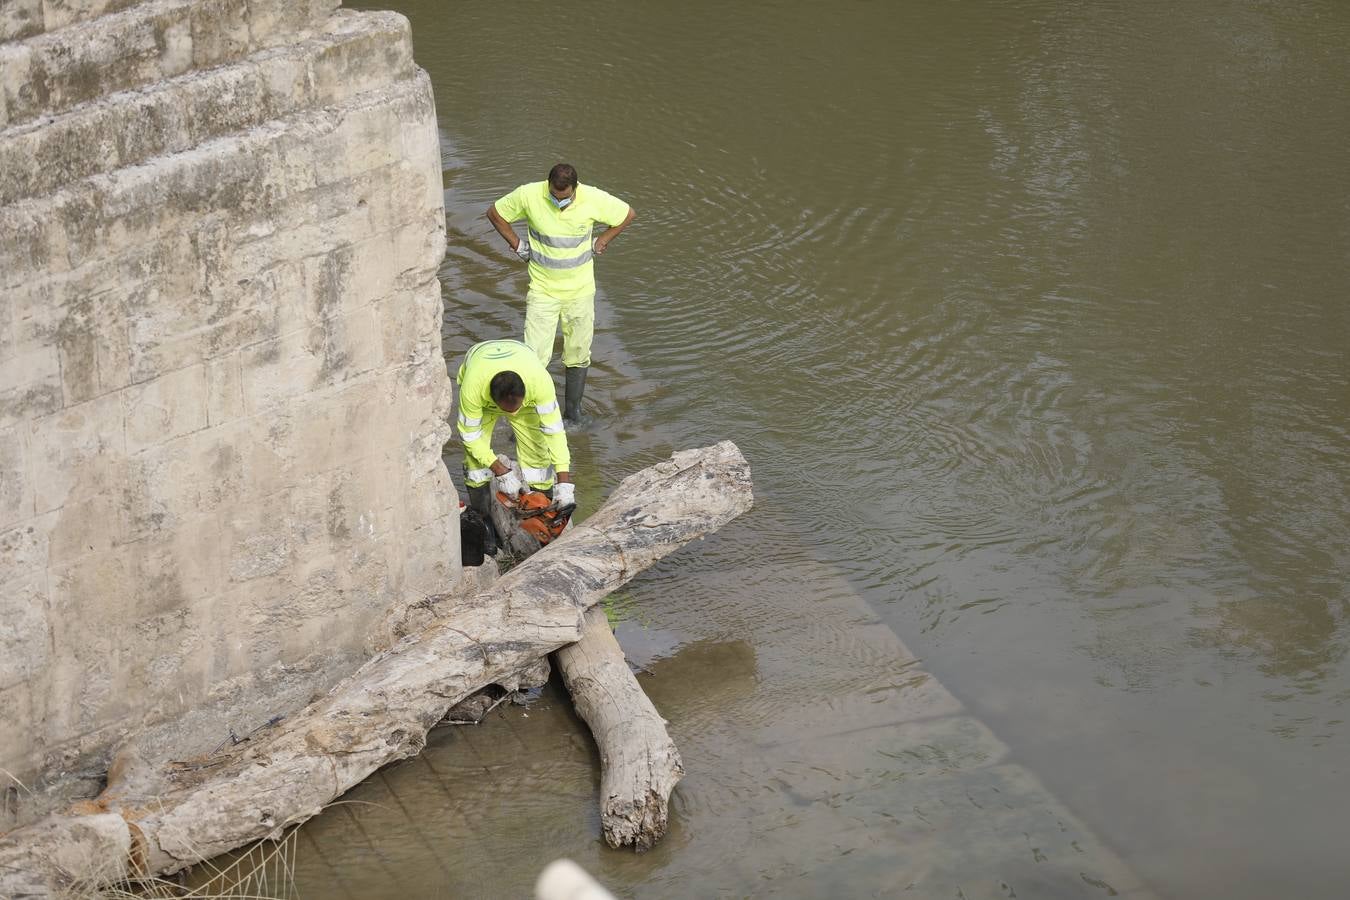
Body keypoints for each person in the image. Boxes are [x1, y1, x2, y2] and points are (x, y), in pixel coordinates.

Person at [486, 163, 635, 424]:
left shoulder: (593, 198)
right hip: (542, 290)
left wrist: (603, 240)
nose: (559, 201)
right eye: (554, 195)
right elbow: (495, 213)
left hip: (580, 291)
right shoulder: (528, 195)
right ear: (548, 185)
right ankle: (532, 416)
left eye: (564, 197)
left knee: (578, 351)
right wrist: (518, 245)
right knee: (534, 355)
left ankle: (573, 414)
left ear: (575, 189)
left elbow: (627, 214)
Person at [456, 339, 575, 520]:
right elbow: (470, 436)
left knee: (539, 457)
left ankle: (541, 510)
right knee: (475, 466)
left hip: (524, 365)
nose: (513, 413)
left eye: (516, 408)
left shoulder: (539, 382)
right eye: (507, 410)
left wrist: (564, 483)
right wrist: (500, 470)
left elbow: (555, 432)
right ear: (494, 401)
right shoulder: (472, 387)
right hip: (480, 364)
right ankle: (484, 520)